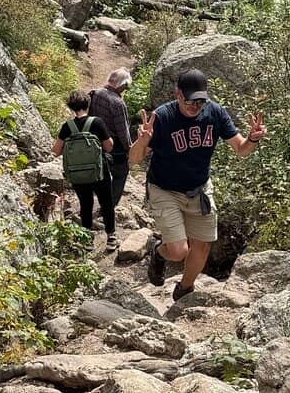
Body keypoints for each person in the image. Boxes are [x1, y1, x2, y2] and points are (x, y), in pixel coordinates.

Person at [128, 68, 266, 301]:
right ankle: (160, 253)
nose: (195, 106)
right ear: (178, 94)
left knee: (202, 246)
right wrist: (142, 142)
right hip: (164, 189)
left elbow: (241, 150)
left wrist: (252, 139)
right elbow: (134, 159)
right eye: (191, 101)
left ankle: (184, 289)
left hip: (199, 188)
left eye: (200, 101)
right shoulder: (163, 117)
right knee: (178, 251)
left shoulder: (215, 112)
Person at [53, 90, 117, 251]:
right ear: (87, 105)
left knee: (85, 204)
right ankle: (111, 238)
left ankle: (87, 239)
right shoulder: (97, 122)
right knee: (106, 203)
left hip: (77, 175)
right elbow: (108, 146)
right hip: (99, 171)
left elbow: (55, 150)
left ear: (71, 107)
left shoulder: (67, 126)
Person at [90, 68, 133, 207]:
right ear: (122, 85)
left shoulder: (95, 93)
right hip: (114, 147)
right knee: (120, 174)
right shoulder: (117, 103)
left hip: (95, 142)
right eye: (126, 86)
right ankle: (108, 206)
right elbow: (123, 131)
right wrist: (129, 149)